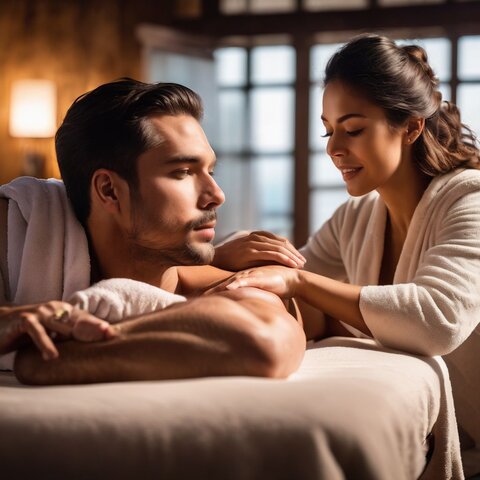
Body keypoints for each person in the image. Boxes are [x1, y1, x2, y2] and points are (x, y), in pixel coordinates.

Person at [211, 34, 480, 477]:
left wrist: (298, 283)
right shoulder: (354, 219)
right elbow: (297, 301)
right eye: (328, 129)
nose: (334, 148)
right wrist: (225, 260)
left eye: (353, 129)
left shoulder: (468, 200)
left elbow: (437, 321)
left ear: (411, 127)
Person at [0, 79, 306, 385]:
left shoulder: (225, 287)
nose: (217, 194)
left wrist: (72, 350)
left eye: (210, 172)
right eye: (183, 172)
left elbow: (265, 343)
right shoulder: (19, 226)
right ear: (109, 191)